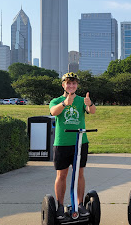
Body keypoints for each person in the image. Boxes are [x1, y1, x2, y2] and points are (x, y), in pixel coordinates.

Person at [49, 72, 96, 219]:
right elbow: (53, 111)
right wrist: (65, 103)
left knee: (79, 174)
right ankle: (60, 206)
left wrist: (90, 104)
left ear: (77, 85)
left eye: (74, 83)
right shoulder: (56, 100)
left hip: (80, 142)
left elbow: (91, 111)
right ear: (63, 85)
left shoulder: (82, 100)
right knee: (61, 175)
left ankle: (79, 204)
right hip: (62, 143)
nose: (71, 85)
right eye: (68, 83)